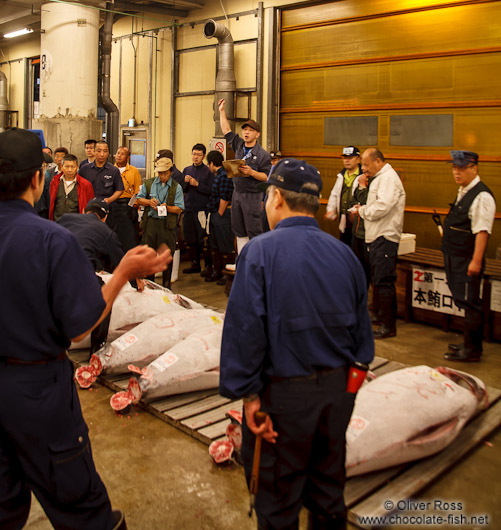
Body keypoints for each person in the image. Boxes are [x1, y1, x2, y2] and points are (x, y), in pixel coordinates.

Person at [0, 127, 171, 530]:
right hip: (37, 391)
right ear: (40, 180)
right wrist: (124, 271)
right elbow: (81, 325)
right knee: (81, 507)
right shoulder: (50, 240)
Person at [220, 158, 374, 530]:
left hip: (281, 403)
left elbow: (244, 332)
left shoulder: (257, 252)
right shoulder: (346, 255)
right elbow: (362, 341)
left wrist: (251, 400)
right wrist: (344, 396)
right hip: (336, 396)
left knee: (277, 502)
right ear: (316, 204)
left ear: (274, 198)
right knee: (327, 495)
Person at [441, 150, 496, 362]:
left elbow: (482, 231)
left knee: (471, 303)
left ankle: (472, 351)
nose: (457, 172)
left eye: (462, 168)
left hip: (467, 259)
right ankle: (467, 343)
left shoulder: (482, 196)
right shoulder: (464, 190)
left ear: (474, 168)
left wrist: (476, 261)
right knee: (464, 301)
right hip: (456, 257)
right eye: (455, 167)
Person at [352, 148, 406, 339]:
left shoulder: (389, 178)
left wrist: (363, 211)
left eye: (366, 164)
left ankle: (388, 326)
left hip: (385, 236)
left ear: (378, 161)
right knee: (378, 280)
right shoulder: (380, 178)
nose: (364, 169)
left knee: (384, 282)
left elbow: (383, 206)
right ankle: (381, 316)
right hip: (375, 236)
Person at [218, 98, 271, 255]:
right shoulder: (239, 145)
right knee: (239, 229)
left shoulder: (263, 155)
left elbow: (267, 177)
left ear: (257, 134)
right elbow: (226, 130)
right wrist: (221, 111)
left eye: (250, 130)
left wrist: (252, 173)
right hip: (237, 194)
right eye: (245, 130)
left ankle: (256, 262)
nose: (246, 132)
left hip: (252, 196)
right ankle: (242, 260)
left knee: (254, 230)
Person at [137, 157, 184, 288]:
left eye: (165, 173)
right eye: (160, 173)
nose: (162, 176)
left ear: (171, 172)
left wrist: (167, 207)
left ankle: (166, 285)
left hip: (167, 225)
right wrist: (148, 202)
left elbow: (179, 208)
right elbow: (139, 199)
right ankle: (150, 284)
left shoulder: (176, 187)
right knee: (149, 254)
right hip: (151, 223)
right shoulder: (149, 183)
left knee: (167, 255)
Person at [181, 143, 214, 275]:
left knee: (203, 239)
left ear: (204, 156)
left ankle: (208, 266)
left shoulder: (208, 171)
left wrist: (197, 184)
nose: (196, 157)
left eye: (199, 155)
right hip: (188, 208)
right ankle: (194, 264)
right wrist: (185, 183)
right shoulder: (186, 170)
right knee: (190, 238)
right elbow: (182, 190)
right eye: (194, 154)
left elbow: (212, 191)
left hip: (202, 210)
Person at [80, 140, 124, 234]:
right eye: (99, 151)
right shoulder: (85, 169)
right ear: (94, 151)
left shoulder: (113, 170)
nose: (102, 154)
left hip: (107, 211)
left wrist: (109, 200)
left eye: (105, 151)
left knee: (106, 235)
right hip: (88, 210)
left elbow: (119, 189)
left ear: (108, 153)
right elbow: (79, 188)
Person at [206, 149, 234, 284]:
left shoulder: (224, 175)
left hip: (221, 214)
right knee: (214, 245)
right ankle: (217, 271)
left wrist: (219, 214)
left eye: (208, 164)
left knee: (224, 245)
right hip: (215, 213)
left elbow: (225, 196)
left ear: (212, 163)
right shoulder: (219, 175)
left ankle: (226, 274)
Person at [326, 146, 362, 247]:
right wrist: (331, 209)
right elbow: (334, 194)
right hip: (343, 219)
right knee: (344, 245)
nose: (346, 160)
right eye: (345, 158)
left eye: (350, 158)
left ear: (358, 159)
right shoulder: (341, 176)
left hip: (358, 220)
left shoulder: (363, 175)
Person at [48, 153, 95, 221]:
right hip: (57, 222)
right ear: (61, 167)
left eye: (72, 167)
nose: (69, 170)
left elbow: (90, 207)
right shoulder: (55, 182)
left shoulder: (86, 185)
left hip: (77, 223)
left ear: (77, 167)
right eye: (66, 166)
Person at [114, 146, 142, 251]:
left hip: (129, 205)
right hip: (115, 204)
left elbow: (138, 191)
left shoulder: (134, 171)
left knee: (130, 236)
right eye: (118, 153)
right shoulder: (111, 169)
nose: (119, 156)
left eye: (122, 154)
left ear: (128, 157)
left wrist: (134, 206)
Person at [348, 171, 372, 288]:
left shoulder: (376, 184)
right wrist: (355, 206)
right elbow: (355, 200)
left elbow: (369, 202)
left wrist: (362, 187)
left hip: (368, 235)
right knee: (356, 268)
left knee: (369, 271)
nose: (364, 169)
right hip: (356, 232)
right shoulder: (361, 182)